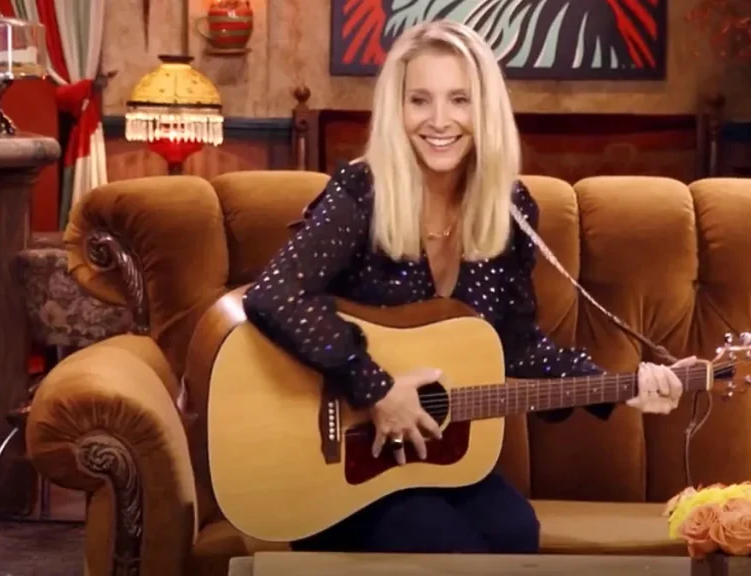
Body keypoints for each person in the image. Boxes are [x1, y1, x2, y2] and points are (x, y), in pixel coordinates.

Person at [242, 20, 695, 555]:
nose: (439, 121)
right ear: (396, 109)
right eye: (420, 100)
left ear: (485, 110)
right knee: (441, 541)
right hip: (337, 464)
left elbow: (517, 345)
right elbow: (274, 293)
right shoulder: (362, 193)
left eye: (460, 99)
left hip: (429, 459)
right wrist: (376, 390)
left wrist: (621, 385)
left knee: (515, 531)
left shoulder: (510, 209)